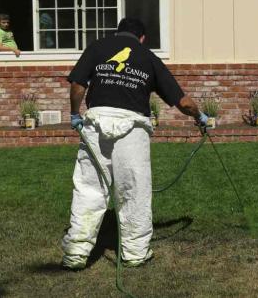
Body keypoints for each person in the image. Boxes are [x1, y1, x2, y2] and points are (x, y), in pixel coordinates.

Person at [61, 18, 208, 270]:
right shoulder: (149, 57)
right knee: (134, 191)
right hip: (133, 130)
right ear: (142, 38)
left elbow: (78, 85)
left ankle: (75, 252)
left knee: (89, 189)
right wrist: (199, 116)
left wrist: (75, 114)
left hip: (96, 124)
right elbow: (183, 102)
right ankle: (135, 253)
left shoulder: (97, 47)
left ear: (117, 33)